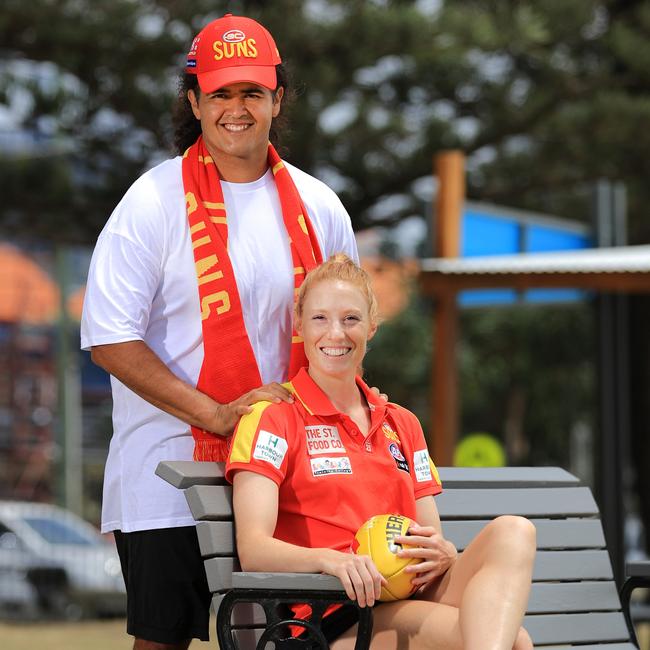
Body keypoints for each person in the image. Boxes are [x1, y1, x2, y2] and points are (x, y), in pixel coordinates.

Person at [80, 14, 358, 650]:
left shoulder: (320, 206)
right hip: (168, 473)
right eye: (221, 92)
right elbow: (109, 337)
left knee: (291, 641)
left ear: (277, 99)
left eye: (253, 92)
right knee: (164, 641)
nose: (238, 108)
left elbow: (346, 332)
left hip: (288, 473)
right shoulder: (152, 201)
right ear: (194, 100)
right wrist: (217, 414)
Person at [226, 254, 536, 650]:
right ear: (299, 326)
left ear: (372, 326)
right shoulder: (274, 418)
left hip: (406, 593)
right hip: (331, 615)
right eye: (320, 318)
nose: (336, 333)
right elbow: (253, 549)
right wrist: (331, 560)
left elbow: (428, 539)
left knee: (514, 530)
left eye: (351, 319)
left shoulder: (402, 422)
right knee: (515, 641)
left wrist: (442, 553)